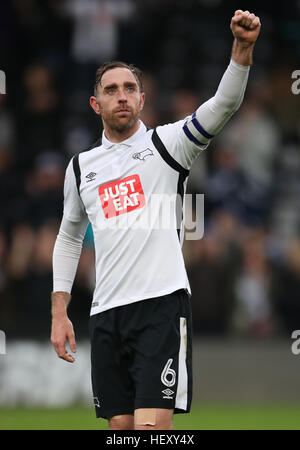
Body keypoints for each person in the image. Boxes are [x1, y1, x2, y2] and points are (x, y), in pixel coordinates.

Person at [51, 10, 261, 430]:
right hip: (106, 312)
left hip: (160, 307)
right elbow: (69, 238)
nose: (122, 95)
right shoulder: (80, 168)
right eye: (111, 90)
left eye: (130, 88)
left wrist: (242, 49)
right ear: (97, 104)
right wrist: (60, 312)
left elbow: (224, 105)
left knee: (152, 431)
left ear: (142, 99)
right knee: (120, 431)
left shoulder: (168, 145)